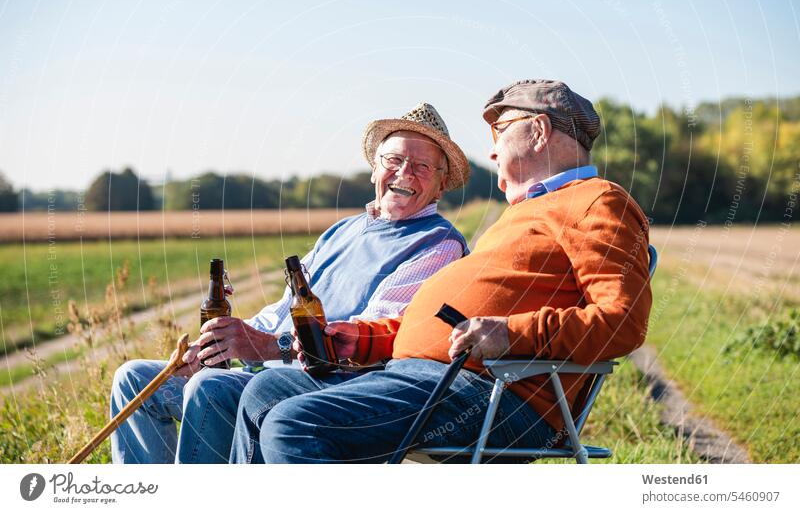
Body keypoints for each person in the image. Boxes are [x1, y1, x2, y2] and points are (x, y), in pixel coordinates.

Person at [229, 79, 653, 463]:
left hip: (490, 394)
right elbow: (445, 324)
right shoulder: (524, 215)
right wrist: (360, 339)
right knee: (263, 393)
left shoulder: (597, 202)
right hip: (421, 375)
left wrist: (510, 334)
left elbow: (623, 322)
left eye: (499, 131)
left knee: (293, 424)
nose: (492, 149)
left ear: (539, 131)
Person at [109, 102, 470, 463]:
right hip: (264, 372)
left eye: (422, 166)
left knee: (210, 387)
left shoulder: (437, 243)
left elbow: (367, 337)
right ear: (375, 170)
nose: (404, 173)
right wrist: (220, 346)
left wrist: (269, 347)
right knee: (135, 380)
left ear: (439, 187)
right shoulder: (343, 231)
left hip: (321, 389)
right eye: (394, 160)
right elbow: (284, 309)